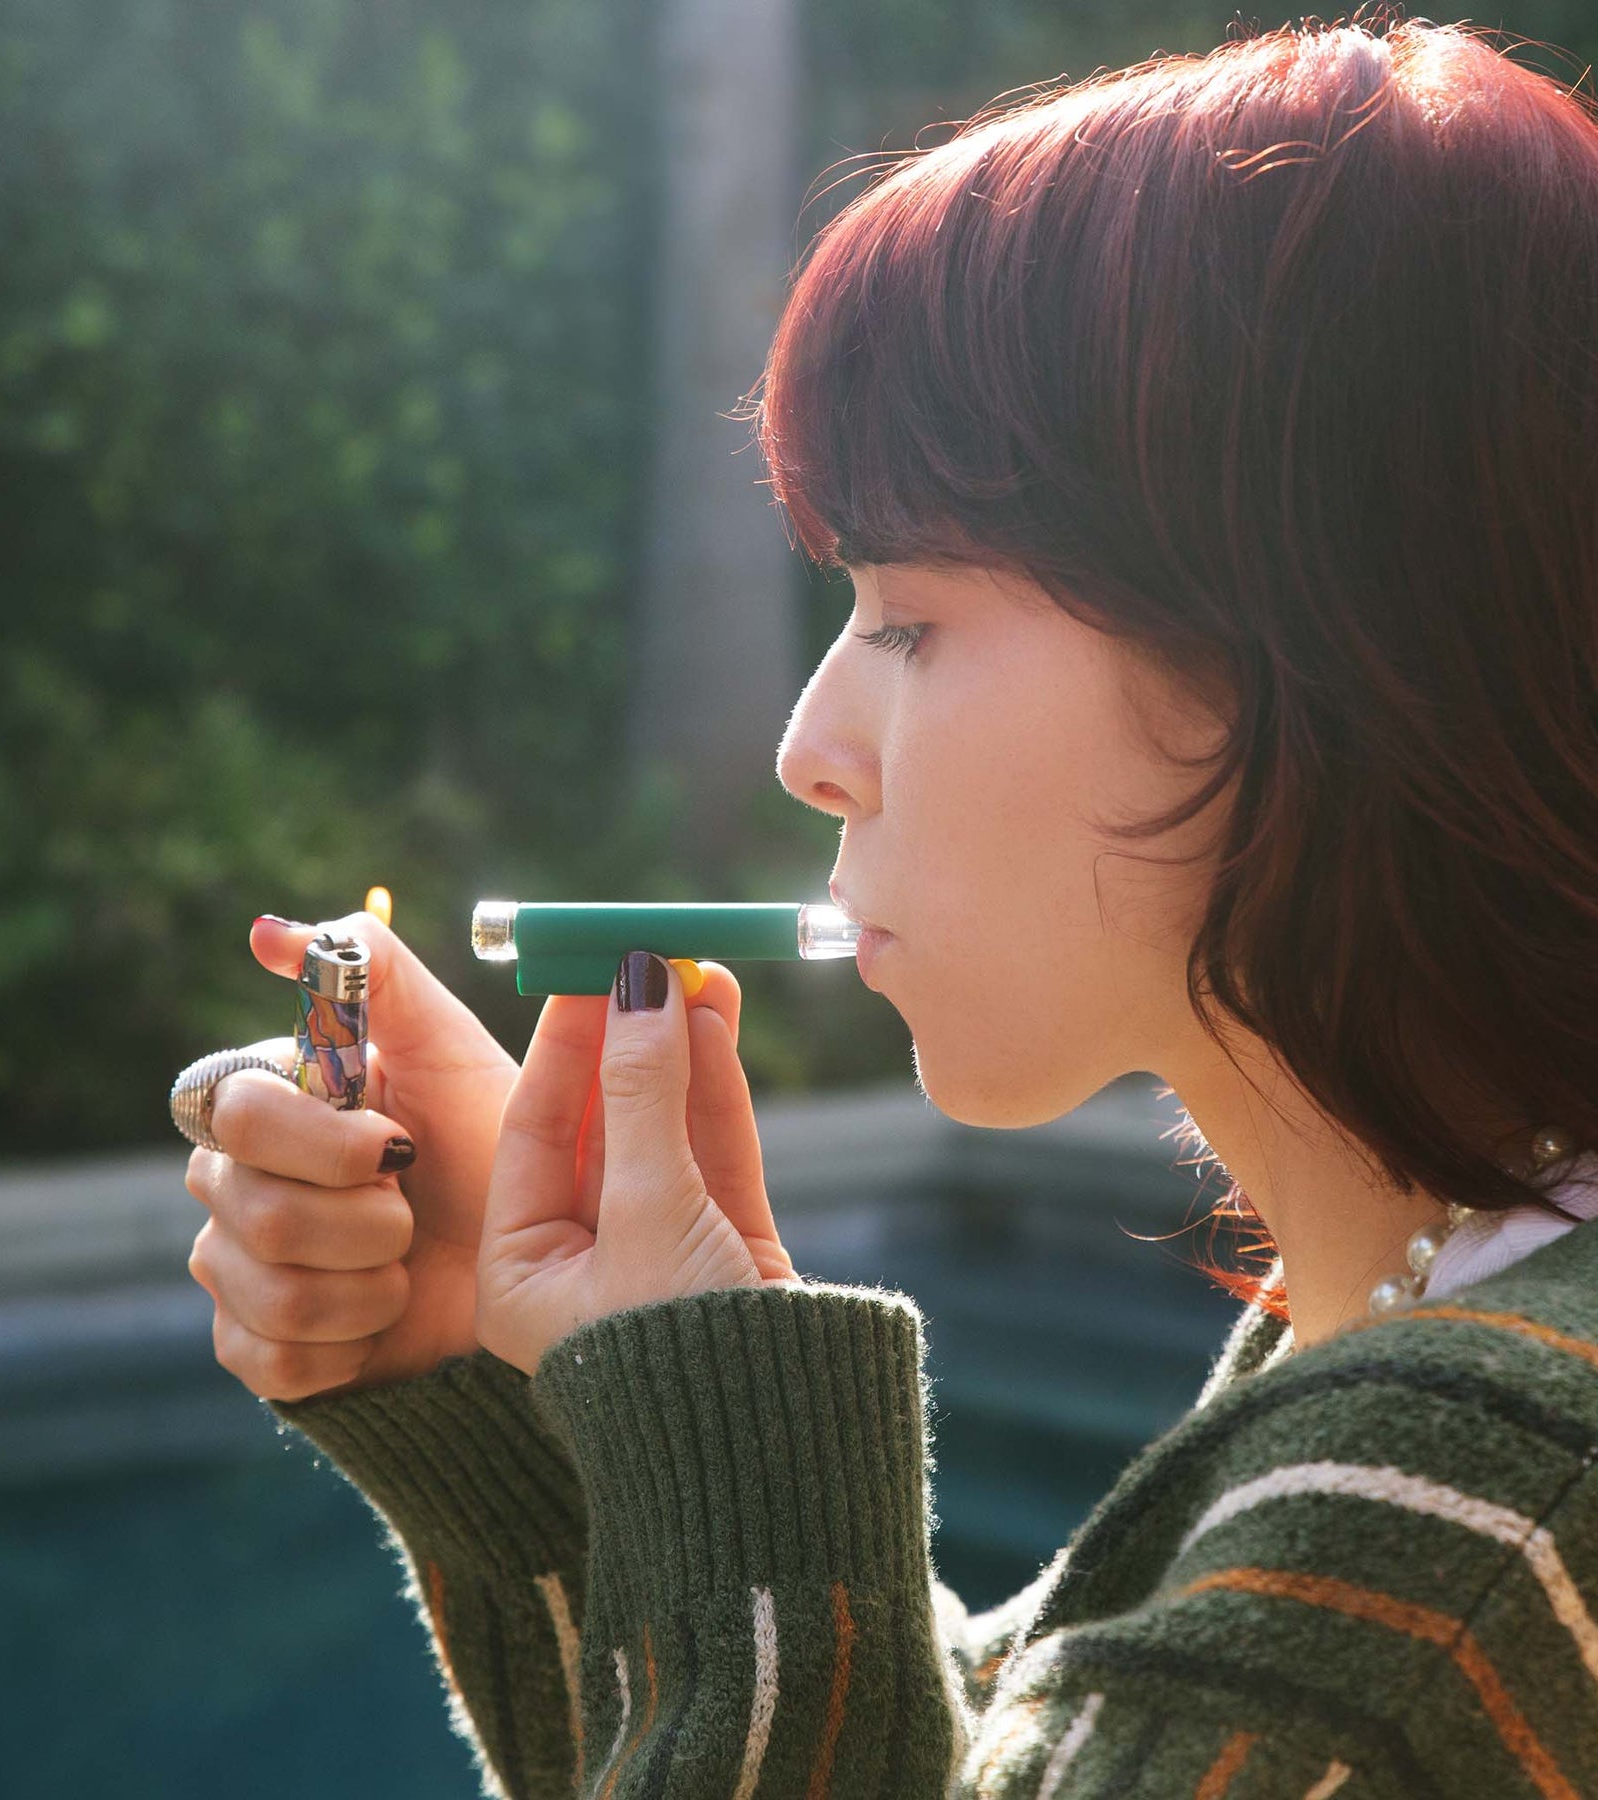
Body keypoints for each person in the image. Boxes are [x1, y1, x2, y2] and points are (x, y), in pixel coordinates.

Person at [181, 12, 1598, 1795]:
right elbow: (1013, 1754)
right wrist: (560, 1400)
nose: (809, 749)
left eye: (909, 620)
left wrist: (713, 1443)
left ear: (1306, 649)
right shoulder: (1436, 1338)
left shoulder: (1448, 1525)